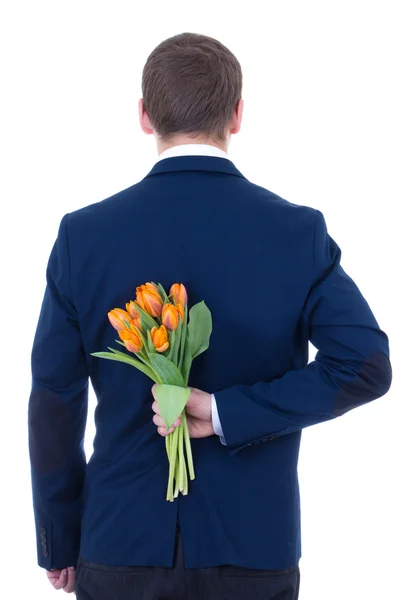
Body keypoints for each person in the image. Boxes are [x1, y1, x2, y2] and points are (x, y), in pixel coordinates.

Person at [28, 32, 392, 600]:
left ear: (145, 116)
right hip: (254, 550)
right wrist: (226, 413)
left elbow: (54, 398)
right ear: (238, 114)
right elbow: (364, 365)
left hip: (118, 544)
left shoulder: (85, 236)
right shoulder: (295, 234)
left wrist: (59, 537)